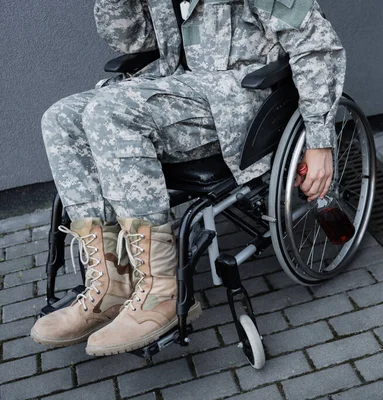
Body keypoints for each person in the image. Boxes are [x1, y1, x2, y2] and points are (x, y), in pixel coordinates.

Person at [31, 0, 345, 356]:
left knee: (110, 113)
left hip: (242, 100)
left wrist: (320, 141)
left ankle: (162, 293)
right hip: (178, 89)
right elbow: (132, 41)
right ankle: (112, 283)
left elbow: (316, 44)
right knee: (60, 119)